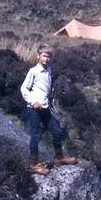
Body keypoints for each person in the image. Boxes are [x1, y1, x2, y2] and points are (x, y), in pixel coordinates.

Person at [20, 43, 78, 174]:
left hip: (45, 108)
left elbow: (45, 86)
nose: (46, 59)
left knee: (57, 131)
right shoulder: (33, 71)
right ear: (38, 56)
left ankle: (59, 157)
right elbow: (24, 88)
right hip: (34, 109)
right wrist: (33, 101)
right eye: (44, 56)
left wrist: (50, 95)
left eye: (49, 57)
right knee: (35, 135)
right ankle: (33, 164)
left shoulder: (49, 70)